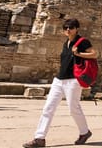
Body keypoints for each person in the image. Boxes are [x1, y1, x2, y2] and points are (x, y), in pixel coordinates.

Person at [23, 18, 95, 148]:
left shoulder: (83, 41)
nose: (68, 30)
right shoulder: (66, 42)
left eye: (71, 27)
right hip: (59, 79)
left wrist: (78, 53)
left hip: (73, 80)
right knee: (48, 108)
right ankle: (39, 138)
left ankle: (84, 132)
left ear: (77, 28)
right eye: (66, 28)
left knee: (73, 109)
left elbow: (94, 54)